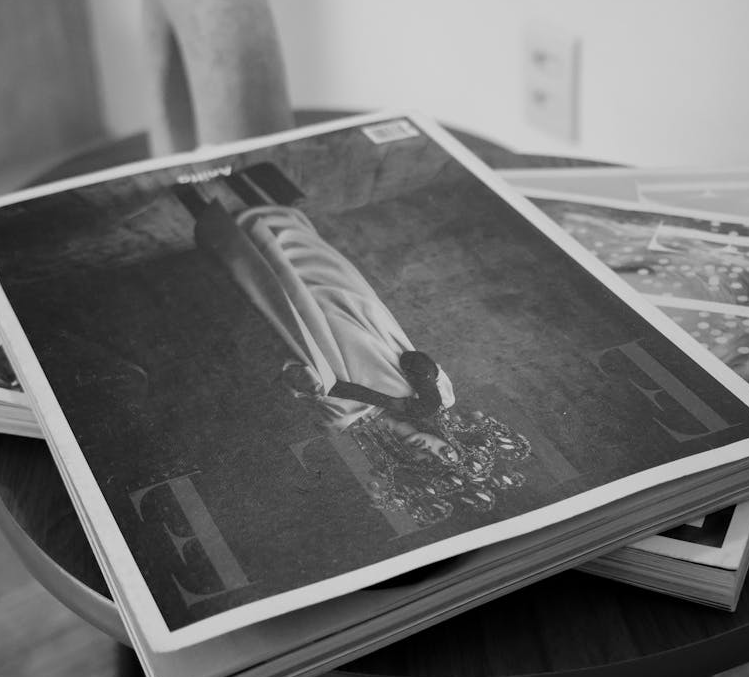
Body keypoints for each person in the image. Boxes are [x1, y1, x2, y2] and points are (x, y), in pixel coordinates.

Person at [193, 194, 532, 526]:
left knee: (276, 280)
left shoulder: (344, 422)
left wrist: (304, 380)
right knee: (315, 264)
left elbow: (299, 382)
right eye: (442, 451)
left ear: (413, 465)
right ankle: (265, 202)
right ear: (448, 440)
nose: (428, 451)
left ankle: (210, 207)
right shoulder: (439, 398)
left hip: (310, 331)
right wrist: (424, 395)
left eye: (427, 461)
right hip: (361, 318)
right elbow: (418, 360)